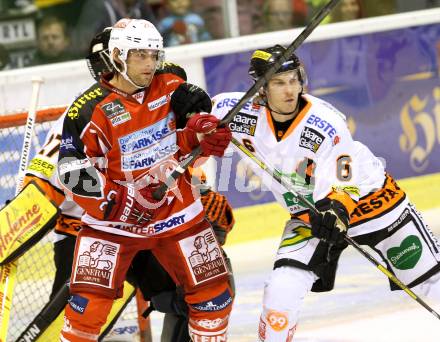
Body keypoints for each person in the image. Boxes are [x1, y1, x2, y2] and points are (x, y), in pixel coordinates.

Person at [210, 44, 440, 341]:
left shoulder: (326, 122)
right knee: (282, 289)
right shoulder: (236, 110)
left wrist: (337, 207)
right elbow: (193, 114)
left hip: (375, 205)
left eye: (294, 79)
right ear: (260, 89)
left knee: (431, 284)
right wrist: (186, 105)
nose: (290, 89)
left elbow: (345, 177)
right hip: (310, 216)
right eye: (279, 83)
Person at [57, 18, 233, 342]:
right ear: (118, 56)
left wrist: (205, 132)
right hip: (113, 225)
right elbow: (70, 168)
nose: (150, 64)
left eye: (154, 55)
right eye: (140, 55)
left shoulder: (168, 87)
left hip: (174, 212)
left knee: (215, 296)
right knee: (85, 310)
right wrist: (114, 204)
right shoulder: (86, 110)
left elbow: (190, 127)